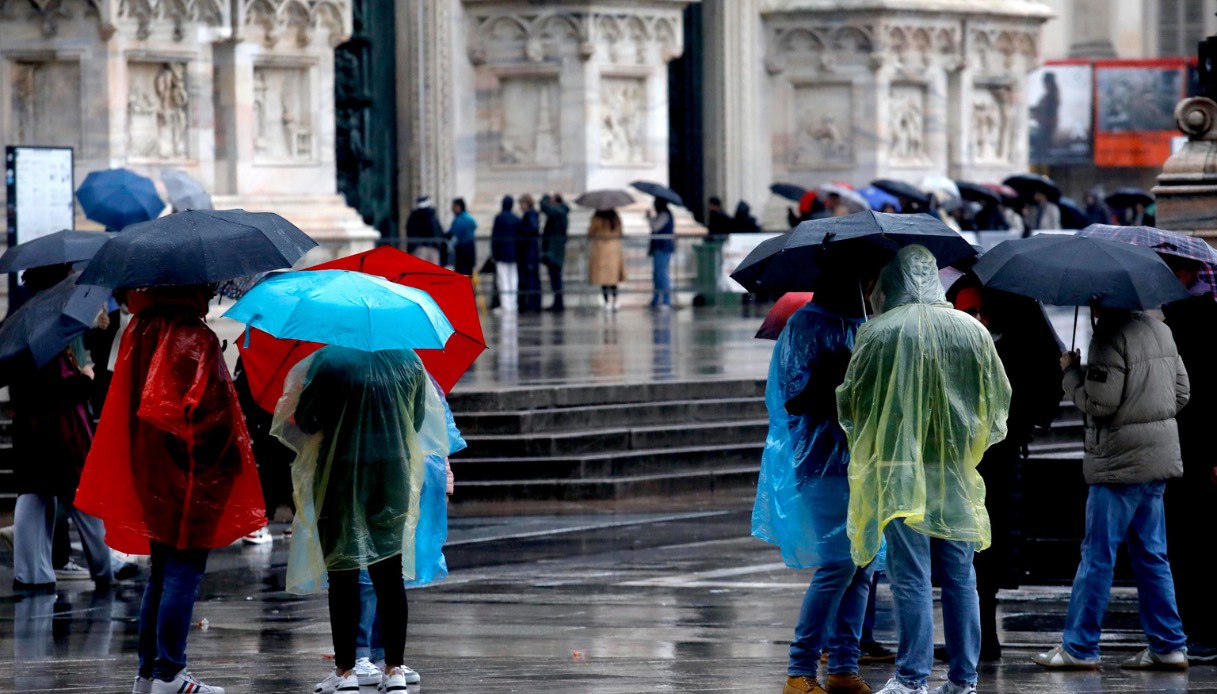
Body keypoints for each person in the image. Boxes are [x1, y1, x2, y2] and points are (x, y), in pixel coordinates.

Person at [75, 285, 267, 694]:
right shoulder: (192, 337)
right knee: (182, 569)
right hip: (192, 472)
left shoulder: (141, 331)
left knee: (162, 571)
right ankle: (169, 674)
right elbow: (210, 417)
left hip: (152, 468)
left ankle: (150, 673)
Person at [837, 245, 1012, 694]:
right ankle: (964, 678)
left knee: (910, 575)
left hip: (899, 467)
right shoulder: (971, 331)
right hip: (953, 468)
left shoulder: (879, 333)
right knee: (959, 576)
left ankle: (912, 678)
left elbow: (854, 401)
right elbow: (996, 399)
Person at [274, 346, 447, 694]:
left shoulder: (331, 360)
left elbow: (307, 420)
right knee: (389, 572)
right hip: (392, 477)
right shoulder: (408, 360)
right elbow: (413, 420)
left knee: (343, 573)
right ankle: (395, 669)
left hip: (341, 476)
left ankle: (345, 671)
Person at [1033, 302, 1190, 671]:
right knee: (1153, 556)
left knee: (1097, 557)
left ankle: (1080, 647)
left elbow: (1099, 404)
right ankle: (1169, 645)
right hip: (1157, 461)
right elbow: (1181, 393)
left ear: (1103, 301)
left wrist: (1071, 374)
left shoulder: (1107, 338)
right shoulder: (1161, 331)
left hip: (1118, 464)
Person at [752, 258, 880, 694]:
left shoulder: (864, 325)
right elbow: (793, 400)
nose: (870, 285)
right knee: (840, 561)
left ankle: (844, 665)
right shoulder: (806, 326)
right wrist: (835, 376)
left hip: (861, 461)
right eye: (865, 277)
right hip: (821, 462)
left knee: (862, 563)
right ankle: (800, 667)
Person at [947, 277, 1062, 661]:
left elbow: (1038, 385)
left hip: (995, 457)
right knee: (968, 550)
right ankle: (975, 637)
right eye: (968, 312)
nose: (975, 318)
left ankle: (981, 639)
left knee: (985, 551)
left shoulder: (1013, 344)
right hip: (974, 458)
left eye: (979, 311)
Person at [341, 375, 464, 692]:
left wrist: (442, 476)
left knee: (381, 571)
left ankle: (378, 657)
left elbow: (434, 427)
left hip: (391, 476)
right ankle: (366, 655)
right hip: (379, 474)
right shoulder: (404, 368)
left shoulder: (410, 370)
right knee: (373, 572)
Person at [10, 284, 112, 591]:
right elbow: (58, 391)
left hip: (36, 440)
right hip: (61, 439)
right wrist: (86, 378)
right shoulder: (47, 346)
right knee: (82, 504)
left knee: (36, 501)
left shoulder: (26, 341)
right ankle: (104, 568)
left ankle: (33, 574)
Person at [1159, 255, 1217, 664]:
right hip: (1193, 447)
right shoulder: (1186, 316)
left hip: (1186, 446)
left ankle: (1198, 630)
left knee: (1188, 543)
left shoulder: (1179, 319)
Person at [588, 208, 626, 311]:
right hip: (614, 250)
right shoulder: (616, 218)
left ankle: (607, 301)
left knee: (603, 278)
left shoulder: (596, 218)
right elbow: (621, 232)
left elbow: (590, 232)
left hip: (601, 250)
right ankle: (615, 300)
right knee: (613, 278)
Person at [491, 195, 520, 313]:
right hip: (514, 253)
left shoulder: (499, 218)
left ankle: (506, 304)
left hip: (502, 253)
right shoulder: (516, 218)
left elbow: (495, 237)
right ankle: (513, 304)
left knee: (503, 279)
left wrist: (494, 252)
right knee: (513, 278)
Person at [540, 193, 570, 312]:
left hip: (555, 251)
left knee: (556, 278)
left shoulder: (559, 212)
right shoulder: (560, 212)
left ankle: (559, 304)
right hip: (553, 250)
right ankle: (557, 302)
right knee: (554, 278)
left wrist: (544, 198)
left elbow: (546, 209)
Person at [516, 194, 543, 313]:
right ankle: (534, 303)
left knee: (531, 278)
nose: (520, 206)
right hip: (531, 251)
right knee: (533, 278)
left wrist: (520, 230)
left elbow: (533, 229)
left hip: (528, 252)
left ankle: (532, 304)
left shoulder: (529, 214)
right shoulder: (533, 214)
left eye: (521, 204)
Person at [647, 198, 675, 308]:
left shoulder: (664, 214)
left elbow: (655, 227)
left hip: (662, 247)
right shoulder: (662, 214)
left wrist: (649, 218)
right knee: (657, 275)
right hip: (659, 247)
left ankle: (665, 300)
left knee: (662, 274)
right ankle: (657, 298)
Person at [405, 195, 445, 265]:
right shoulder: (431, 215)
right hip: (431, 247)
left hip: (419, 247)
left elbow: (410, 231)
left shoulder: (414, 216)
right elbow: (437, 230)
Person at [447, 197, 477, 276]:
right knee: (469, 272)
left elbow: (453, 233)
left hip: (462, 249)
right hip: (470, 248)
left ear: (458, 207)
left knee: (461, 272)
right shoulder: (469, 218)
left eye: (453, 206)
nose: (452, 209)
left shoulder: (459, 220)